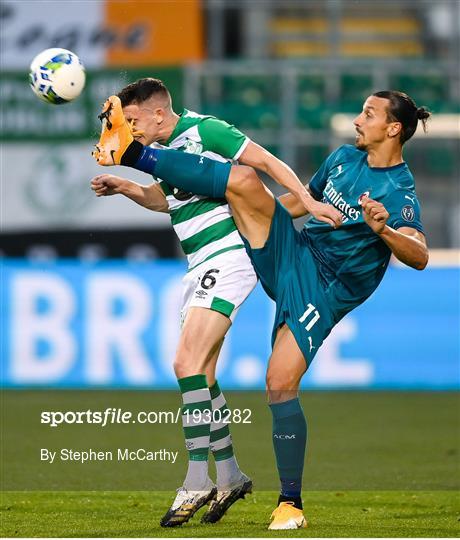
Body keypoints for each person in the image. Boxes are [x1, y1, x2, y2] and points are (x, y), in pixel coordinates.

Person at [93, 90, 429, 530]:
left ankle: (291, 503)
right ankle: (136, 155)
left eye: (368, 114)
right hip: (297, 252)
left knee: (278, 383)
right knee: (244, 181)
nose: (356, 120)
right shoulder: (344, 158)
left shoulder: (399, 190)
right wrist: (247, 216)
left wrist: (384, 230)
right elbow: (297, 202)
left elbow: (419, 255)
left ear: (393, 129)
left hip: (326, 289)